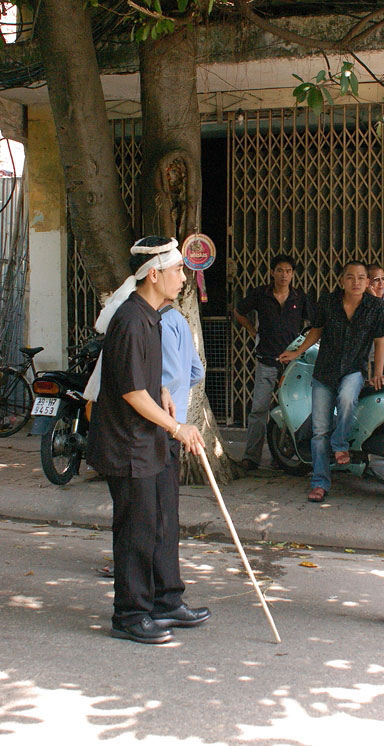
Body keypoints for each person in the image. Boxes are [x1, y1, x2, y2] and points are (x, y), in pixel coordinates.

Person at [86, 236, 210, 645]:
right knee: (137, 531)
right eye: (177, 271)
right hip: (128, 445)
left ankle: (165, 599)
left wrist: (164, 393)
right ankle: (131, 613)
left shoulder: (155, 315)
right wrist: (178, 428)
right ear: (154, 275)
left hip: (150, 441)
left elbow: (144, 380)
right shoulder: (131, 319)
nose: (183, 278)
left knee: (162, 523)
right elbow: (130, 393)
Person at [279, 261, 384, 503]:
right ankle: (320, 482)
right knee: (319, 431)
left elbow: (380, 342)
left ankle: (340, 442)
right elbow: (316, 331)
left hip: (354, 368)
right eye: (350, 277)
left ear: (367, 282)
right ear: (341, 281)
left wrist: (378, 372)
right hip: (325, 371)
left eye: (362, 277)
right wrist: (297, 353)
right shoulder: (328, 302)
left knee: (347, 396)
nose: (356, 282)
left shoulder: (376, 307)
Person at [234, 254, 313, 471]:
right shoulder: (261, 294)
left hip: (292, 365)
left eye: (288, 271)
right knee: (259, 409)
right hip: (266, 361)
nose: (284, 275)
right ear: (272, 272)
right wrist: (252, 330)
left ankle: (283, 456)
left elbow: (314, 325)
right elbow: (239, 312)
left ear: (293, 274)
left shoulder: (299, 297)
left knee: (289, 410)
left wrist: (301, 349)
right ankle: (251, 457)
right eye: (280, 270)